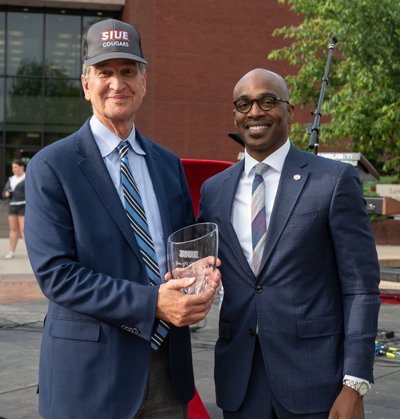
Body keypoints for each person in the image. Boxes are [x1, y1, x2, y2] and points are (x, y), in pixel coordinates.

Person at [25, 19, 219, 419]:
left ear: (143, 83)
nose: (118, 83)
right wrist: (153, 303)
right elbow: (56, 274)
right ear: (85, 84)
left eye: (128, 71)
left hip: (168, 375)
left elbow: (181, 255)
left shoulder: (167, 165)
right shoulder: (52, 166)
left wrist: (199, 276)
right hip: (89, 378)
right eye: (105, 72)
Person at [197, 68, 381, 419]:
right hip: (240, 384)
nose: (254, 112)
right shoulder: (214, 190)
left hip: (318, 383)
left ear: (290, 112)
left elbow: (360, 288)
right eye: (243, 104)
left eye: (268, 101)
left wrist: (354, 382)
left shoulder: (333, 180)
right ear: (235, 114)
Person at [2, 159, 25, 259]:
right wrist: (6, 194)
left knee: (24, 230)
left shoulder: (27, 177)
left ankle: (32, 252)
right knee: (14, 229)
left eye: (16, 167)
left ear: (21, 167)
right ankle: (11, 251)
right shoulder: (11, 179)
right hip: (12, 206)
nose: (13, 169)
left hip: (23, 206)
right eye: (12, 167)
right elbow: (4, 192)